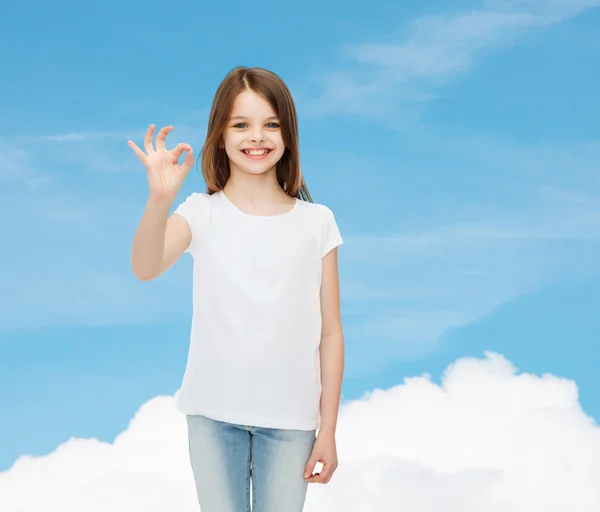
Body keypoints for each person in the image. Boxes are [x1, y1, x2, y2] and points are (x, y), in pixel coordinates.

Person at [128, 66, 344, 512]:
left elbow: (331, 333)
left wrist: (328, 431)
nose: (256, 137)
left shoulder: (316, 221)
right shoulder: (200, 212)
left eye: (270, 124)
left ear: (288, 134)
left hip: (291, 420)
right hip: (212, 414)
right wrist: (159, 200)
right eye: (240, 124)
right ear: (220, 135)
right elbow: (146, 267)